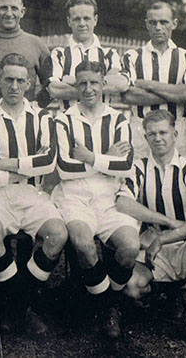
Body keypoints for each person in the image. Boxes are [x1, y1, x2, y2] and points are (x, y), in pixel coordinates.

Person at [0, 53, 67, 335]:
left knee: (58, 234)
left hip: (31, 193)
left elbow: (49, 161)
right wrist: (25, 166)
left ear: (30, 84)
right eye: (9, 80)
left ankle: (14, 301)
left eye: (20, 81)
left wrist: (3, 163)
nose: (14, 86)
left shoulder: (42, 117)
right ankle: (22, 306)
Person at [118, 110, 186, 339]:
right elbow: (123, 202)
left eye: (163, 132)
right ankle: (171, 291)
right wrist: (164, 222)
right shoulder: (139, 167)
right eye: (152, 134)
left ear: (175, 134)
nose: (158, 138)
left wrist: (163, 237)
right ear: (145, 138)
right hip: (156, 249)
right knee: (131, 287)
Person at [52, 60, 138, 338]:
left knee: (130, 247)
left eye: (94, 83)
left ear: (103, 85)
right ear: (76, 87)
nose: (89, 89)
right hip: (74, 198)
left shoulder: (118, 119)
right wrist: (107, 157)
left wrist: (90, 157)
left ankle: (103, 301)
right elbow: (64, 168)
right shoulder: (63, 119)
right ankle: (107, 308)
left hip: (109, 198)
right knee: (83, 244)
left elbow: (125, 165)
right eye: (83, 84)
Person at [121, 2, 186, 161]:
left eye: (163, 22)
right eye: (153, 22)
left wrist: (150, 85)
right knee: (140, 179)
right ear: (146, 24)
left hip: (177, 128)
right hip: (141, 130)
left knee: (179, 179)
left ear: (174, 23)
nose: (158, 27)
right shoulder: (132, 56)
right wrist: (176, 93)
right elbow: (128, 96)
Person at [47, 0, 129, 108]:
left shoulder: (109, 55)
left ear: (95, 20)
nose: (82, 23)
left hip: (102, 122)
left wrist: (70, 81)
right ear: (69, 21)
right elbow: (54, 89)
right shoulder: (59, 54)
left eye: (86, 18)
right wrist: (99, 83)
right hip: (69, 120)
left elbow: (122, 84)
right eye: (76, 19)